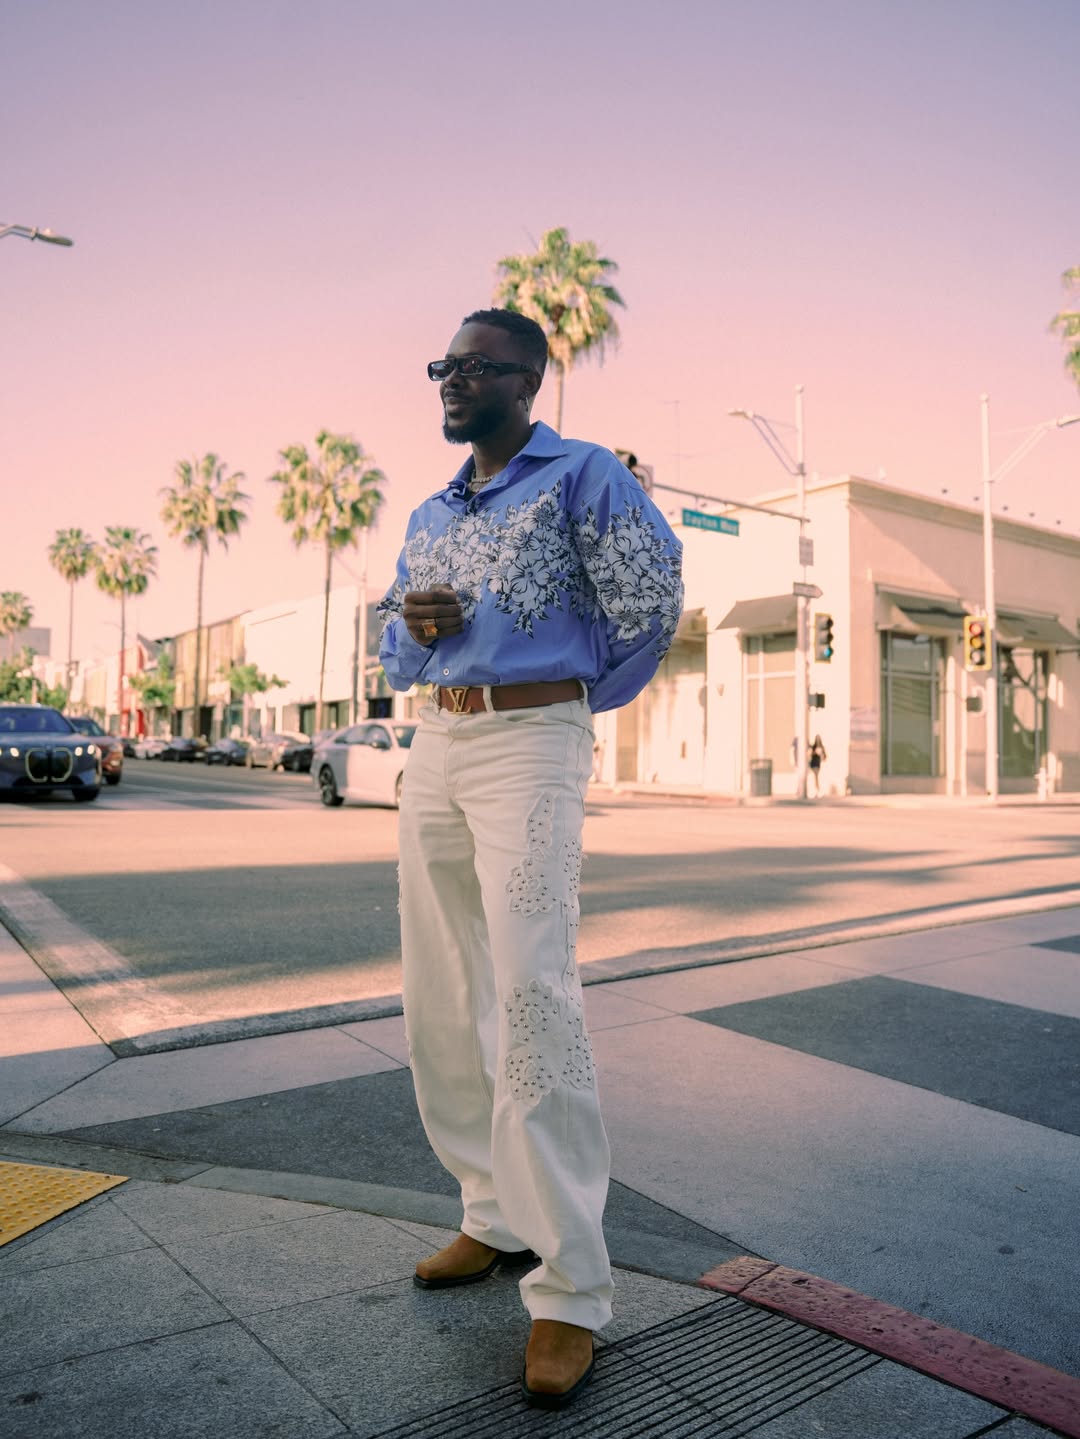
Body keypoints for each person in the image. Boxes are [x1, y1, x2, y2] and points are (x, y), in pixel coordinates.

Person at [377, 308, 683, 1408]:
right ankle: (489, 1213)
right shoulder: (430, 508)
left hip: (529, 743)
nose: (450, 381)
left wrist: (567, 696)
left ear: (526, 379)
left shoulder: (583, 475)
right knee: (442, 991)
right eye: (441, 365)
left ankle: (570, 1289)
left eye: (470, 366)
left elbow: (653, 599)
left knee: (534, 994)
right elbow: (389, 645)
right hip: (437, 742)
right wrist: (412, 626)